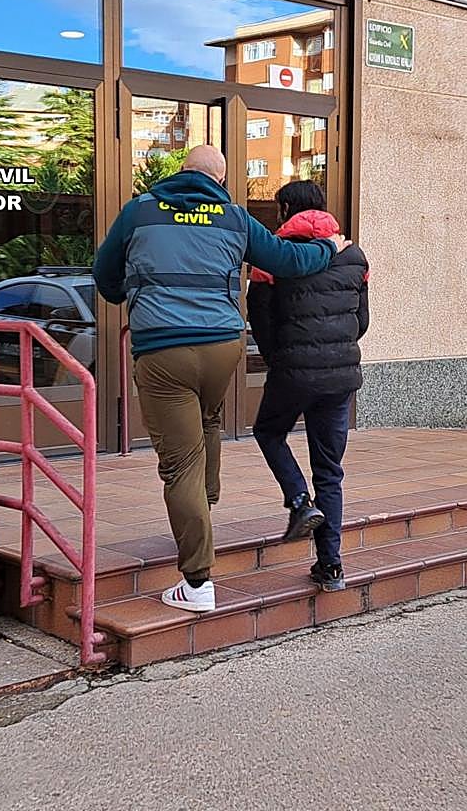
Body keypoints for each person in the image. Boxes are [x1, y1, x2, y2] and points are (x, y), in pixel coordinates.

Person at [94, 147, 346, 613]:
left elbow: (104, 278)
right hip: (223, 347)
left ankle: (196, 584)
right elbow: (287, 259)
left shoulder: (140, 212)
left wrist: (130, 288)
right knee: (208, 420)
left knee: (178, 464)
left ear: (183, 171)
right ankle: (204, 504)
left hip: (163, 350)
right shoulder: (233, 217)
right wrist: (327, 247)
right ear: (220, 179)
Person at [247, 181, 369, 592]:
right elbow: (362, 322)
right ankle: (331, 566)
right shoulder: (353, 256)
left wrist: (279, 358)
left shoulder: (273, 258)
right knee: (330, 471)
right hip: (340, 378)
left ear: (284, 209)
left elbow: (260, 321)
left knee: (268, 432)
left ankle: (299, 500)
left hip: (293, 373)